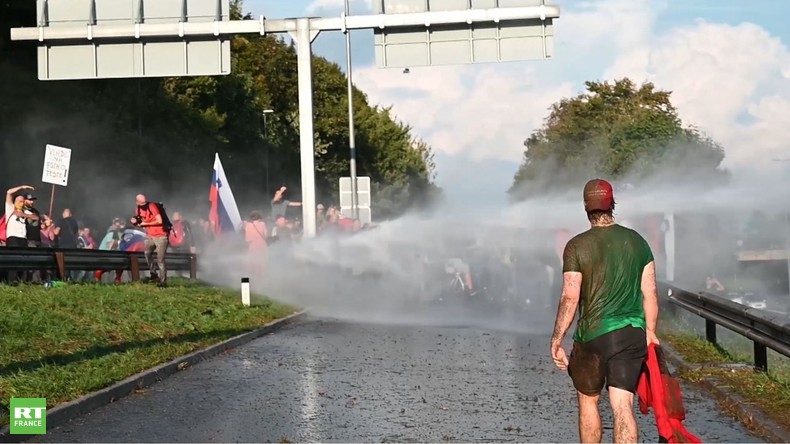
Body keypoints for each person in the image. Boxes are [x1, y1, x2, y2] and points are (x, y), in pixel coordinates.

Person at [550, 178, 660, 444]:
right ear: (612, 204)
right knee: (623, 405)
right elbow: (650, 293)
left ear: (586, 207)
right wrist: (651, 331)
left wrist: (557, 338)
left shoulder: (576, 246)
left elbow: (570, 296)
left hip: (592, 336)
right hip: (630, 334)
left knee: (589, 402)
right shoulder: (637, 242)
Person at [130, 194, 169, 287]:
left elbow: (159, 221)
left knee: (160, 259)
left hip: (161, 236)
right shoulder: (138, 209)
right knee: (147, 253)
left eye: (145, 202)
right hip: (150, 235)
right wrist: (135, 223)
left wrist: (146, 223)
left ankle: (163, 281)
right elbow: (141, 224)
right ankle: (153, 273)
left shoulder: (152, 206)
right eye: (141, 203)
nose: (144, 204)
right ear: (137, 203)